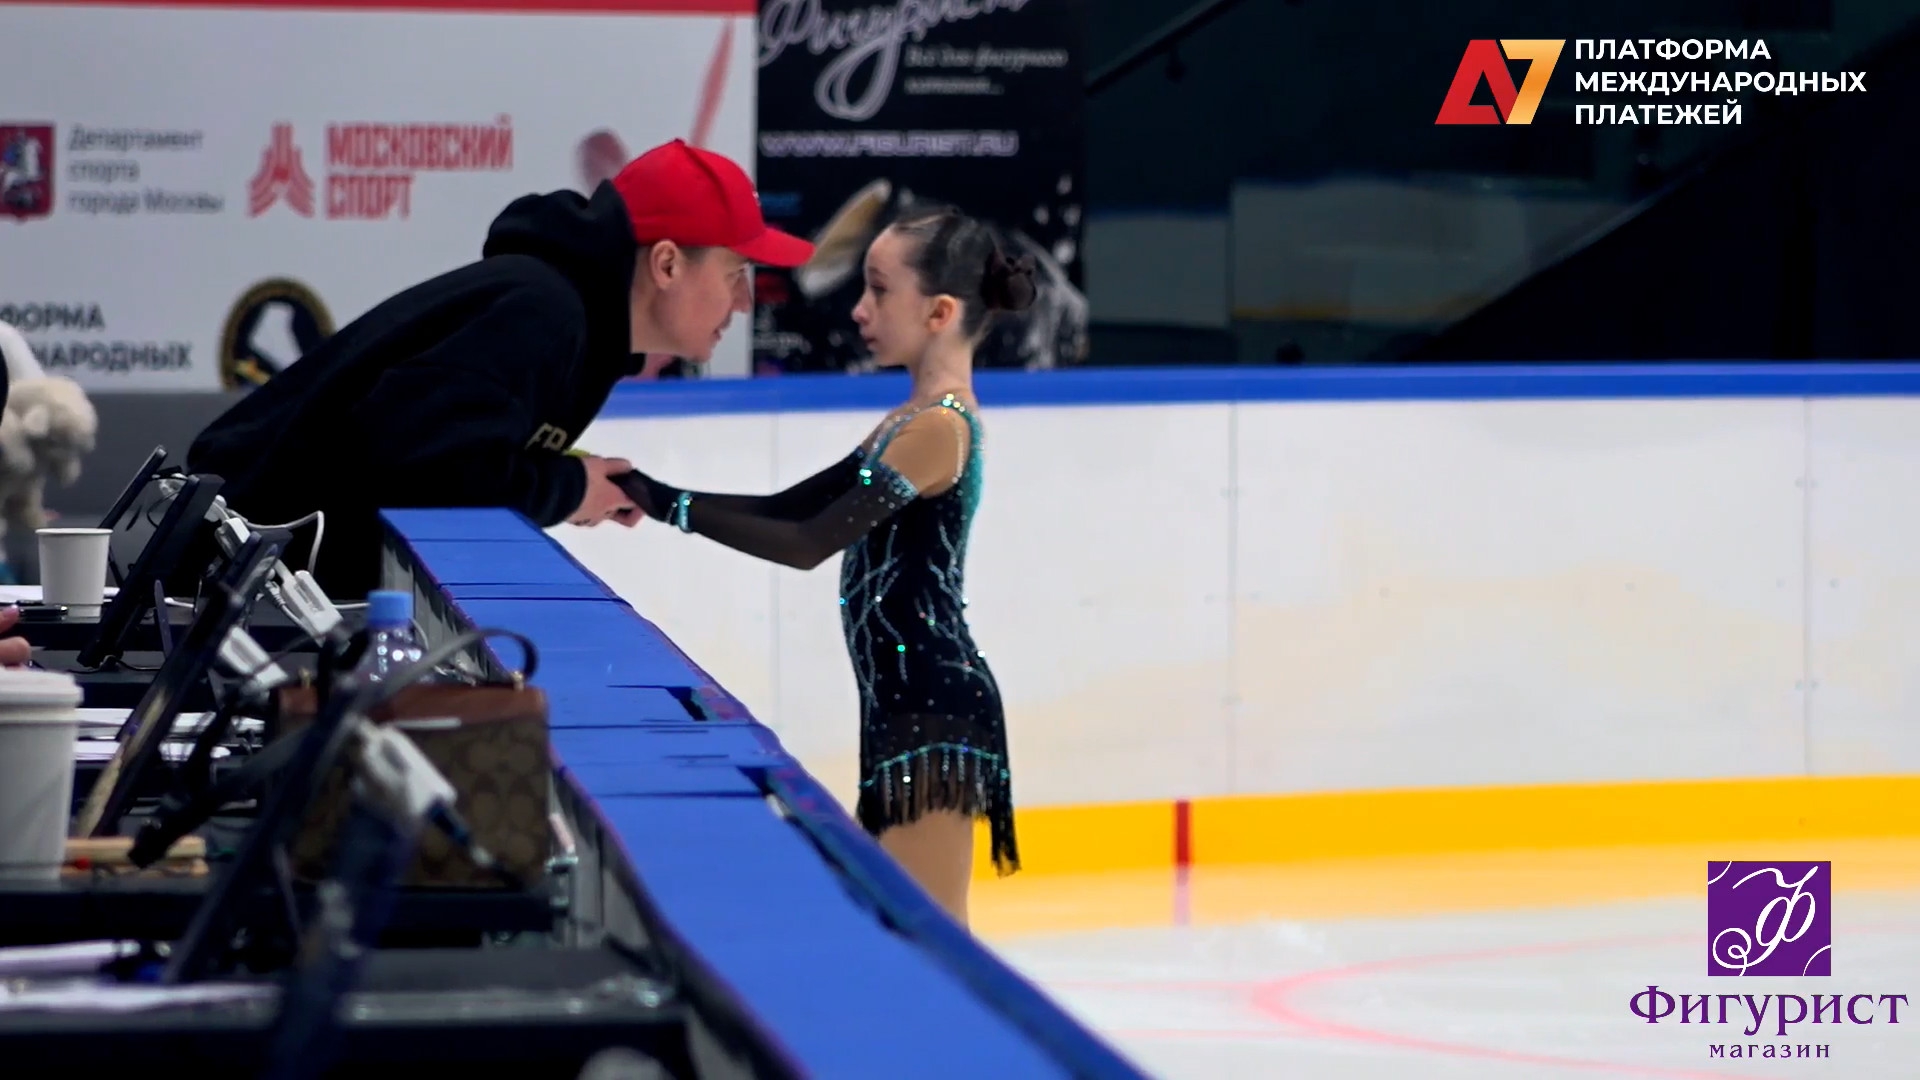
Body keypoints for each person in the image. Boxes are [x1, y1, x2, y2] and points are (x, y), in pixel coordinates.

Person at [617, 207, 1035, 926]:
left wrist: (669, 505)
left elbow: (807, 541)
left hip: (933, 711)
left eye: (879, 290)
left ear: (939, 312)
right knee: (898, 927)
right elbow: (790, 507)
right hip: (903, 701)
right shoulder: (907, 420)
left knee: (930, 934)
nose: (859, 308)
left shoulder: (939, 428)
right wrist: (657, 497)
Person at [180, 140, 814, 599]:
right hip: (228, 593)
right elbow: (420, 470)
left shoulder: (572, 322)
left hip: (266, 587)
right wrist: (567, 489)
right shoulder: (544, 313)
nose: (744, 302)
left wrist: (569, 478)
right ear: (668, 264)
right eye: (736, 274)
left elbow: (439, 444)